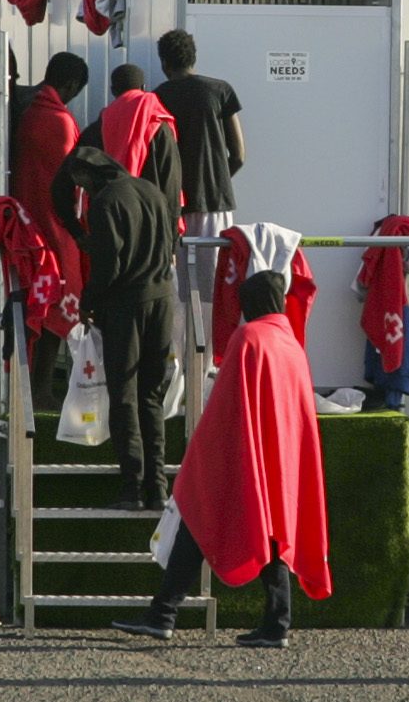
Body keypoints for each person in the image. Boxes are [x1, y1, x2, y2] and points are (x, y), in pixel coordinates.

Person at [112, 271, 329, 648]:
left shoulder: (249, 338)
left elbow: (227, 407)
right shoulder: (289, 342)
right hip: (282, 460)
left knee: (198, 517)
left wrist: (201, 455)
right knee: (273, 533)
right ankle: (275, 622)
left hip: (243, 454)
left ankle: (163, 613)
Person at [53, 145, 177, 507]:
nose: (82, 191)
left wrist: (89, 301)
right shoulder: (150, 189)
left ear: (88, 175)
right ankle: (158, 488)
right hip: (163, 299)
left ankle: (132, 488)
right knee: (151, 395)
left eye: (80, 183)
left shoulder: (106, 202)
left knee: (124, 395)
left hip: (128, 305)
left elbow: (109, 265)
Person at [10, 51, 89, 394]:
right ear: (70, 85)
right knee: (57, 300)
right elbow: (72, 184)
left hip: (23, 227)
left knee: (32, 308)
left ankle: (29, 386)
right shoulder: (59, 121)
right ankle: (41, 388)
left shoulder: (25, 111)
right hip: (54, 229)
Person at [153, 29, 245, 240]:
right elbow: (239, 156)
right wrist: (216, 181)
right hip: (214, 199)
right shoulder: (220, 90)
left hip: (173, 201)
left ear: (164, 62)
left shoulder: (156, 98)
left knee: (174, 271)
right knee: (214, 271)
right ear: (193, 58)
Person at [68, 64, 184, 228]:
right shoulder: (159, 127)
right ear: (143, 88)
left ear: (113, 90)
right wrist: (171, 236)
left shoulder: (96, 129)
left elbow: (71, 177)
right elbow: (171, 184)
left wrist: (78, 232)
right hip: (151, 226)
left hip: (110, 224)